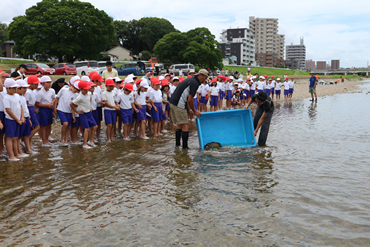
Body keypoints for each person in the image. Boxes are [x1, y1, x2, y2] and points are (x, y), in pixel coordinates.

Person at [169, 69, 206, 149]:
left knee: (180, 124)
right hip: (179, 104)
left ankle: (177, 145)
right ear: (199, 75)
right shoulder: (195, 83)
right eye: (204, 78)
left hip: (172, 102)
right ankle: (185, 148)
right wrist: (195, 111)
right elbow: (190, 99)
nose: (204, 80)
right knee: (186, 125)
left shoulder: (191, 80)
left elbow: (186, 98)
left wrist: (189, 110)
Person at [70, 80, 97, 148]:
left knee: (95, 126)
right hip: (83, 114)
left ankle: (90, 141)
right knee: (86, 129)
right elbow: (71, 104)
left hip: (89, 112)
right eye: (85, 89)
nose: (87, 90)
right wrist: (77, 111)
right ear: (81, 89)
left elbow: (89, 99)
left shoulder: (89, 93)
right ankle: (85, 144)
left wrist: (90, 106)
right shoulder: (79, 97)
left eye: (87, 89)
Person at [54, 77, 79, 146]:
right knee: (65, 124)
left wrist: (73, 116)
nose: (76, 91)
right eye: (76, 89)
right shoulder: (64, 90)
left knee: (69, 126)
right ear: (73, 86)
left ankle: (66, 140)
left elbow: (72, 106)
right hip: (61, 109)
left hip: (69, 111)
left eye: (78, 90)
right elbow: (57, 97)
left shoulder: (76, 95)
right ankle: (62, 139)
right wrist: (55, 107)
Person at [3, 78, 24, 161]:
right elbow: (8, 111)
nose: (15, 89)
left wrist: (22, 117)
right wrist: (17, 119)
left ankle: (16, 154)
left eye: (16, 88)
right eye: (13, 88)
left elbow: (21, 106)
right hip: (10, 120)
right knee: (10, 137)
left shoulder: (17, 96)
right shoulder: (6, 97)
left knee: (15, 137)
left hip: (17, 119)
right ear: (7, 88)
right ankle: (11, 156)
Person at [35, 76, 55, 147]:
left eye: (50, 82)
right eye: (47, 82)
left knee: (49, 125)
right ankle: (44, 141)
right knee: (44, 126)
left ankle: (47, 139)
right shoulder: (40, 93)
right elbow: (37, 104)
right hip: (43, 110)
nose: (49, 84)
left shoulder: (52, 90)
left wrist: (52, 103)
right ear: (43, 84)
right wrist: (47, 105)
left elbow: (53, 98)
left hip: (50, 109)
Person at [17, 80, 34, 155]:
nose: (25, 90)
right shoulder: (17, 97)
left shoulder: (23, 97)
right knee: (18, 136)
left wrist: (29, 118)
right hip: (21, 118)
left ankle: (28, 149)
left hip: (26, 117)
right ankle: (19, 151)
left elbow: (25, 107)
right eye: (24, 88)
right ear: (18, 88)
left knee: (27, 134)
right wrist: (22, 117)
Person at [101, 78, 119, 142]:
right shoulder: (104, 93)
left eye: (112, 86)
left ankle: (111, 137)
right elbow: (106, 104)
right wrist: (115, 107)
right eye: (110, 86)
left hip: (113, 110)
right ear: (106, 86)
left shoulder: (114, 92)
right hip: (107, 110)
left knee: (113, 124)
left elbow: (115, 100)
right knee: (109, 125)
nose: (111, 87)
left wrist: (117, 104)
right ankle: (108, 138)